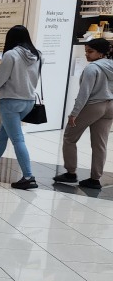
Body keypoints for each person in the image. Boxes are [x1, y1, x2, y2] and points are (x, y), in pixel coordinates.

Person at [0, 25, 42, 190]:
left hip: (10, 102)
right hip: (28, 101)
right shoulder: (38, 55)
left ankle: (28, 177)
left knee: (17, 139)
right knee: (2, 136)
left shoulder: (11, 55)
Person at [54, 40, 113, 190]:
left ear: (100, 53)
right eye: (86, 51)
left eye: (90, 51)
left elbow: (84, 93)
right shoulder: (110, 66)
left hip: (94, 105)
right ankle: (95, 179)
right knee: (100, 144)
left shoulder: (92, 69)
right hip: (110, 106)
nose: (86, 54)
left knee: (69, 137)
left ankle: (71, 173)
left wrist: (74, 113)